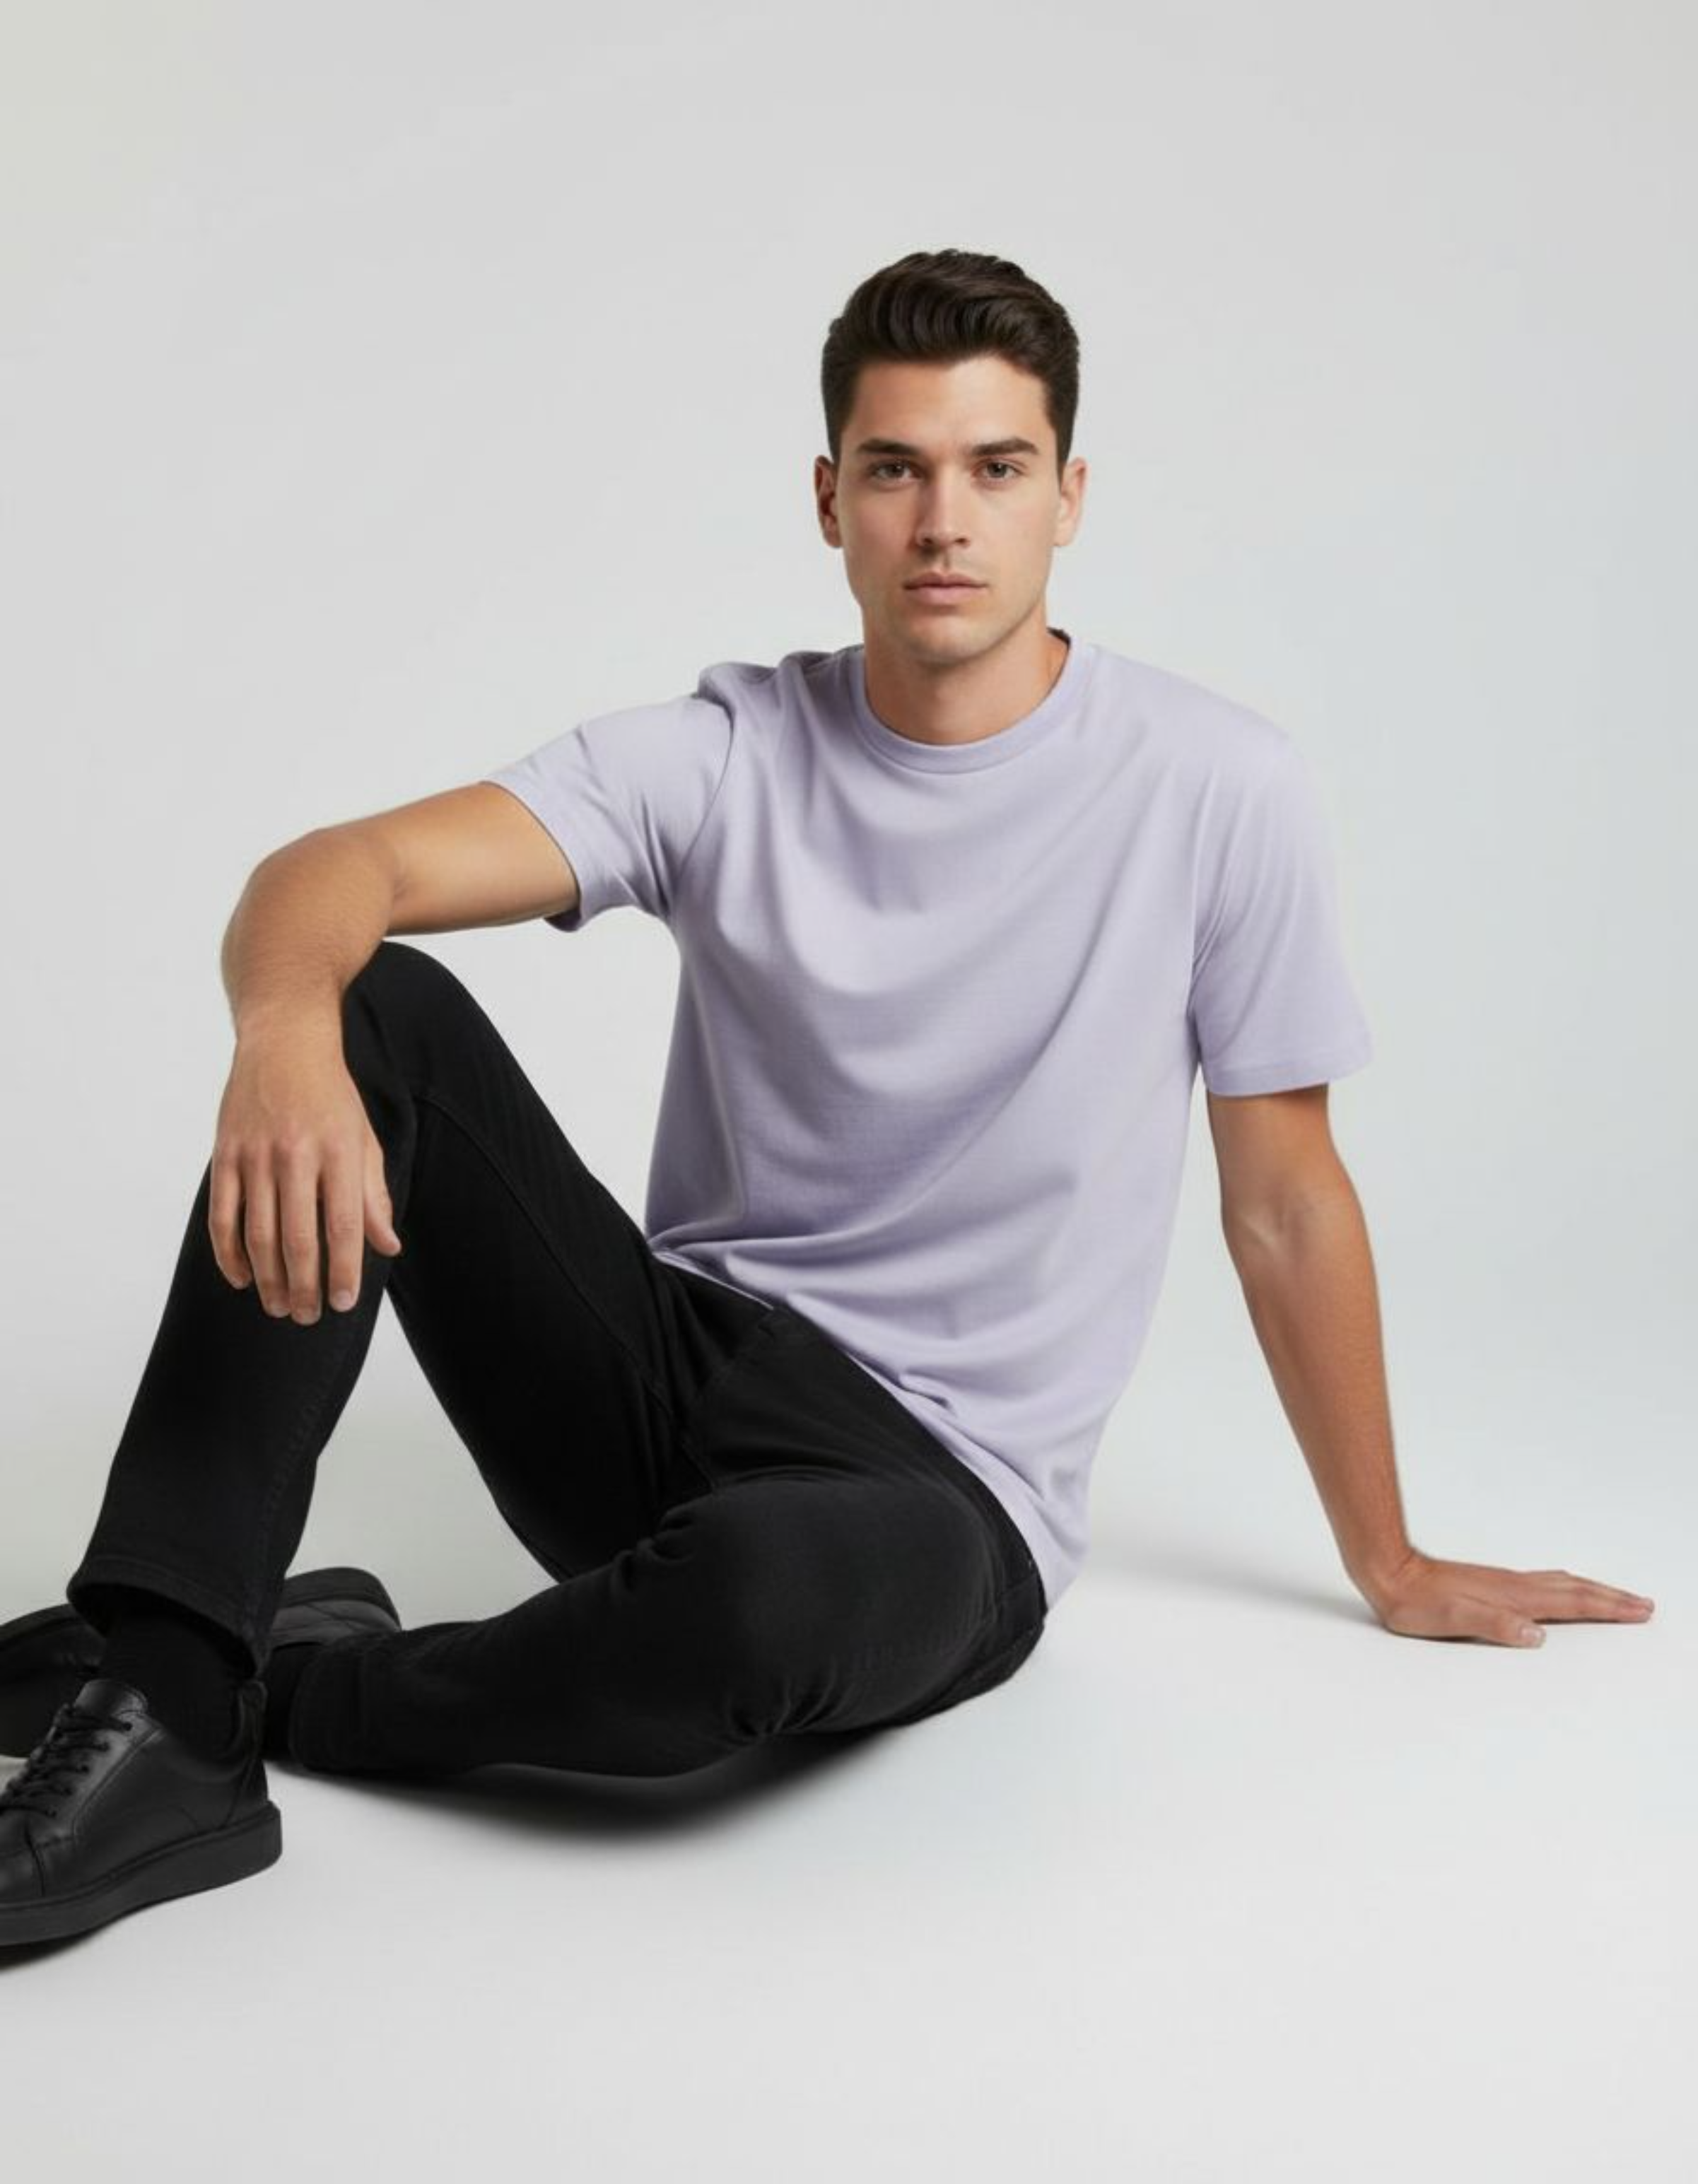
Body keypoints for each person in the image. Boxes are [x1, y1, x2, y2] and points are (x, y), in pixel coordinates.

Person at [0, 247, 1654, 1950]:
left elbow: (1287, 1195)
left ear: (1067, 497)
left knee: (752, 1615)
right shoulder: (730, 756)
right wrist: (282, 1032)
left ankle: (269, 1677)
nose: (945, 519)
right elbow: (338, 868)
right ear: (830, 499)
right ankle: (173, 1703)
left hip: (942, 1492)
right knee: (372, 1006)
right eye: (897, 469)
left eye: (995, 469)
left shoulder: (1218, 790)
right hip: (660, 1382)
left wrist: (1387, 1558)